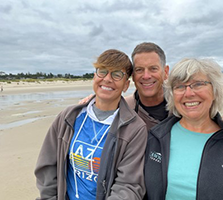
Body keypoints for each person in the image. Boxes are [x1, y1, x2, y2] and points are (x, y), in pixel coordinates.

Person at [35, 49, 148, 200]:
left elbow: (128, 185)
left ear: (126, 85)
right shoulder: (68, 117)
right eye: (102, 71)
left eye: (116, 74)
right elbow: (47, 167)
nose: (107, 79)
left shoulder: (134, 129)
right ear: (95, 76)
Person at [144, 58, 223, 200]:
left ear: (215, 91)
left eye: (198, 84)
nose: (188, 93)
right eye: (180, 86)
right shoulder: (156, 137)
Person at [80, 42, 223, 137]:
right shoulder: (124, 108)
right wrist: (94, 101)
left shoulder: (183, 103)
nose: (146, 76)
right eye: (139, 70)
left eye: (153, 69)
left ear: (165, 72)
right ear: (133, 76)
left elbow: (208, 117)